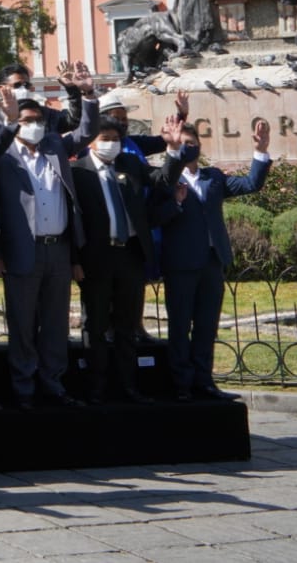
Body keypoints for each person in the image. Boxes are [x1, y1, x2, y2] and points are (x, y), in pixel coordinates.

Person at [0, 86, 98, 410]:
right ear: (16, 122)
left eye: (38, 119)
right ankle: (23, 388)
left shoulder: (54, 146)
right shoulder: (3, 156)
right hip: (22, 251)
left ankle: (53, 384)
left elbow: (87, 130)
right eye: (27, 120)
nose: (34, 124)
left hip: (58, 249)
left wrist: (86, 94)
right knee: (22, 324)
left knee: (55, 322)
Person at [72, 116, 186, 405]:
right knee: (95, 325)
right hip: (96, 258)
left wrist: (173, 151)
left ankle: (128, 387)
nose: (110, 144)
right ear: (91, 142)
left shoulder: (130, 165)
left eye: (115, 139)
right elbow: (73, 222)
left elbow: (161, 180)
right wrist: (75, 260)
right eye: (104, 138)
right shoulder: (77, 172)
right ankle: (96, 388)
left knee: (127, 325)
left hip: (130, 254)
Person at [163, 118, 271, 401]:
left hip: (212, 261)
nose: (189, 148)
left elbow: (250, 184)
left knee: (207, 324)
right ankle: (181, 384)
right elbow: (156, 217)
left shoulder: (213, 177)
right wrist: (175, 202)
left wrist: (261, 150)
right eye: (183, 144)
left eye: (193, 144)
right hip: (181, 263)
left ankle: (204, 381)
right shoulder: (166, 179)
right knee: (180, 325)